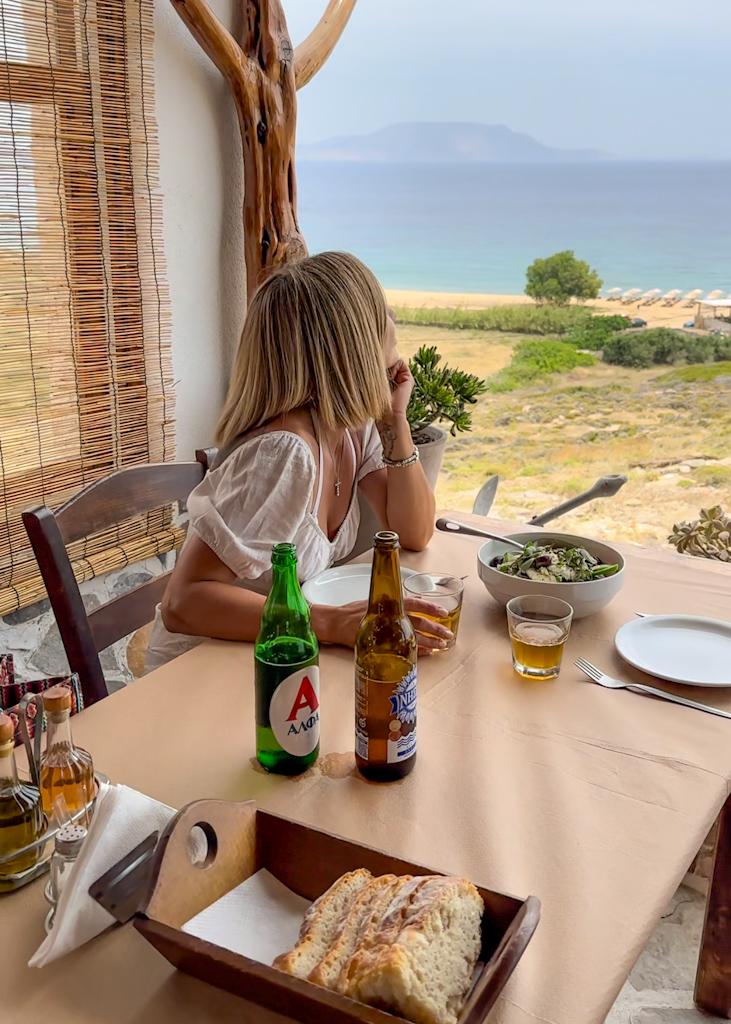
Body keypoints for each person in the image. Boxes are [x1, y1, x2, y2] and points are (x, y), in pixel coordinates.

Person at [145, 251, 451, 672]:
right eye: (380, 309)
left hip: (276, 658)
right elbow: (183, 603)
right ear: (353, 341)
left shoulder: (352, 428)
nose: (393, 316)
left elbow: (413, 534)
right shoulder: (284, 454)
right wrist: (330, 623)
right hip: (204, 670)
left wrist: (395, 420)